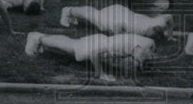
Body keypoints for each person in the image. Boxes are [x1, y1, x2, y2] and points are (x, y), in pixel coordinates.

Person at [25, 31, 156, 84]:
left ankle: (42, 37)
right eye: (138, 63)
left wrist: (147, 60)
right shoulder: (120, 46)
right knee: (69, 47)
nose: (136, 65)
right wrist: (101, 74)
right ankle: (37, 37)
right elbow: (94, 53)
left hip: (102, 40)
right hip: (95, 46)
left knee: (71, 42)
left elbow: (151, 44)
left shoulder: (147, 44)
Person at [60, 4, 173, 39]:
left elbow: (169, 17)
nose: (150, 37)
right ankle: (67, 11)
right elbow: (117, 29)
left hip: (121, 11)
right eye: (152, 35)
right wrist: (119, 34)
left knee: (94, 13)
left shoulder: (157, 22)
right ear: (151, 30)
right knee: (93, 16)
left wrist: (170, 34)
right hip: (115, 19)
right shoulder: (138, 29)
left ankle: (72, 15)